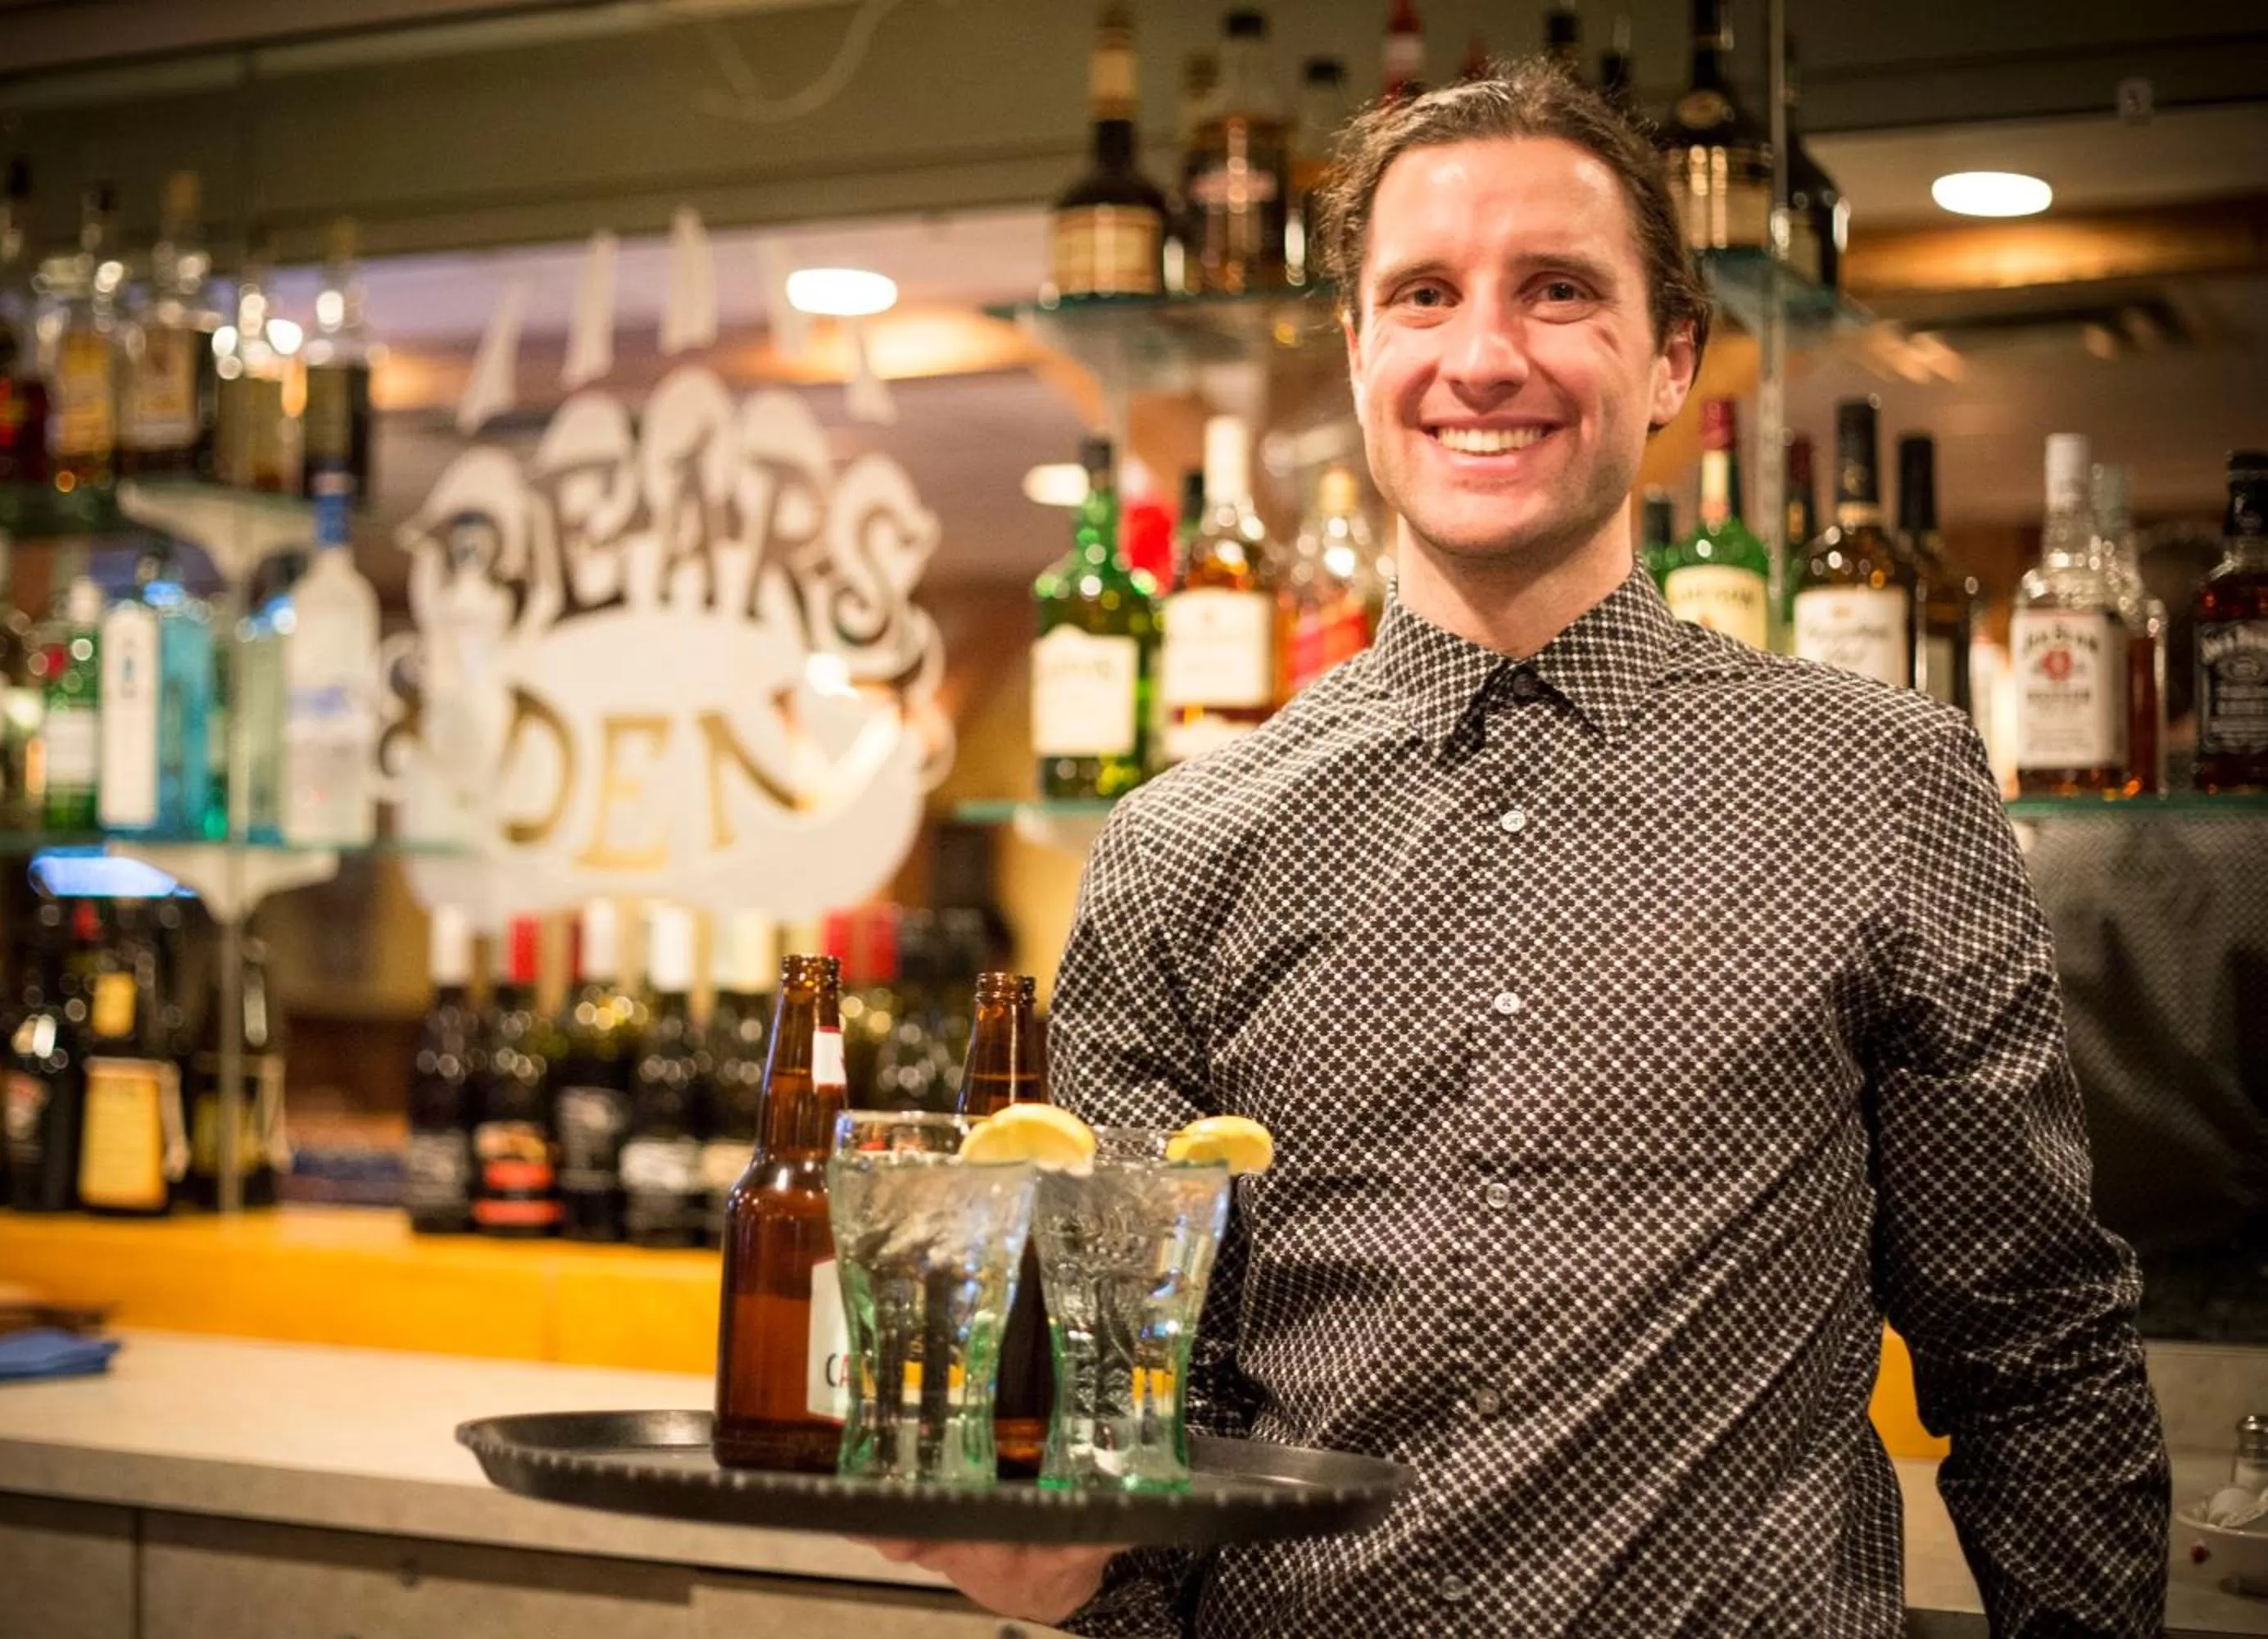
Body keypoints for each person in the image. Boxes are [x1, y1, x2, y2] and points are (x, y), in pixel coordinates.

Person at [876, 61, 2170, 1636]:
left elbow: (2033, 1346)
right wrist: (1061, 1568)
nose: (1482, 357)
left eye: (1557, 291)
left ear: (1673, 355)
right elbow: (1134, 1410)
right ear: (1358, 354)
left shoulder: (1879, 784)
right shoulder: (1176, 848)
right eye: (1423, 295)